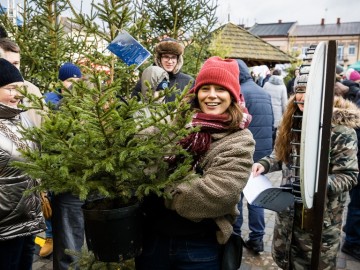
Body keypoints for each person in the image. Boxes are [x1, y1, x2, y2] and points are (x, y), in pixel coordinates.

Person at [135, 56, 255, 269]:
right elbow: (144, 150)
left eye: (220, 89)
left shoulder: (239, 139)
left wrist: (161, 185)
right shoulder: (179, 122)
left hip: (198, 246)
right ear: (196, 93)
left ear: (233, 96)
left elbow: (217, 195)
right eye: (205, 88)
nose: (211, 96)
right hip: (152, 241)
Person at [251, 73, 360, 269]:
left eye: (307, 92)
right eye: (298, 91)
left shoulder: (340, 130)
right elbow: (282, 154)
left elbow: (349, 176)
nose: (301, 97)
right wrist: (265, 164)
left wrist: (314, 183)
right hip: (288, 218)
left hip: (319, 223)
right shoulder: (295, 119)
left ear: (322, 94)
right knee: (286, 262)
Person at [0, 58, 46, 269]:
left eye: (20, 88)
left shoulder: (21, 118)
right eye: (10, 89)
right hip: (5, 225)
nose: (17, 94)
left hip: (27, 218)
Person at [45, 62, 84, 270]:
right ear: (60, 83)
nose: (74, 86)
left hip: (91, 183)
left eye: (78, 81)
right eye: (70, 81)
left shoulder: (89, 106)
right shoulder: (53, 106)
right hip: (67, 185)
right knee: (68, 244)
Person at [233, 59, 274, 253]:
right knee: (256, 196)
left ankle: (235, 236)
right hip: (263, 152)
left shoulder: (239, 93)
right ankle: (257, 238)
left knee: (238, 196)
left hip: (245, 150)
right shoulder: (263, 92)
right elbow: (271, 122)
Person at [132, 38, 193, 102]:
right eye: (166, 57)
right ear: (159, 58)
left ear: (178, 59)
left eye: (173, 57)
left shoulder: (188, 81)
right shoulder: (148, 79)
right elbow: (133, 104)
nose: (170, 61)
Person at [0, 38, 43, 127]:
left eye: (16, 63)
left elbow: (44, 122)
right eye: (7, 63)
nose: (12, 68)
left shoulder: (32, 89)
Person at [263, 69, 288, 146]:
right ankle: (272, 147)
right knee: (275, 131)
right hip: (277, 113)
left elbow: (263, 96)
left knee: (267, 131)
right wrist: (285, 114)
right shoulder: (282, 86)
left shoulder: (266, 84)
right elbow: (284, 103)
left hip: (267, 110)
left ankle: (266, 147)